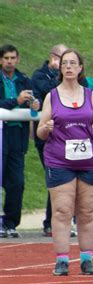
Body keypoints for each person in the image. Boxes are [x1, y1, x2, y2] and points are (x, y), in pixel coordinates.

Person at [37, 48, 93, 276]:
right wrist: (45, 129)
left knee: (86, 212)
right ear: (60, 68)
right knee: (62, 211)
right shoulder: (52, 96)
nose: (68, 67)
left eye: (72, 63)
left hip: (89, 160)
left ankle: (87, 260)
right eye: (64, 63)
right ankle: (62, 260)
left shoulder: (89, 95)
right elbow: (39, 131)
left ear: (80, 68)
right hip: (59, 160)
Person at [0, 44, 39, 238]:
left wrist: (34, 103)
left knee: (17, 182)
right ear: (1, 60)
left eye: (12, 58)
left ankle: (10, 222)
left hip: (18, 136)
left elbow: (35, 104)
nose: (9, 61)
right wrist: (16, 100)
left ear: (18, 59)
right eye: (6, 58)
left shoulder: (24, 79)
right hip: (1, 134)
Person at [31, 44, 68, 237]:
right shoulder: (39, 75)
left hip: (64, 134)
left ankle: (57, 222)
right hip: (46, 134)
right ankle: (50, 223)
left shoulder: (65, 77)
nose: (65, 65)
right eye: (61, 60)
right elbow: (50, 93)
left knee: (63, 178)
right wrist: (62, 80)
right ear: (52, 57)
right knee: (55, 176)